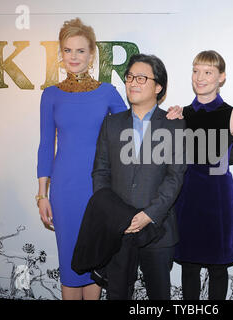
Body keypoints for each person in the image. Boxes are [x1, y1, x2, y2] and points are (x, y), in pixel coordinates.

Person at [36, 18, 127, 300]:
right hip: (65, 190)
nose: (74, 57)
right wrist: (42, 195)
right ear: (61, 55)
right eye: (68, 50)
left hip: (99, 190)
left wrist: (171, 114)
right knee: (70, 263)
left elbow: (132, 129)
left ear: (91, 55)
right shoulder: (50, 95)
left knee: (95, 260)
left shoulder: (107, 92)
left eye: (80, 51)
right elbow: (44, 146)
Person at [91, 53, 187, 300]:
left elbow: (175, 177)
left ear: (158, 87)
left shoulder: (174, 125)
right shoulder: (111, 124)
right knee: (117, 293)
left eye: (141, 78)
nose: (133, 82)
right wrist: (114, 214)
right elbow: (101, 171)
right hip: (118, 229)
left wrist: (149, 215)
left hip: (158, 229)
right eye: (130, 77)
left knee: (158, 297)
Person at [166, 50, 233, 300]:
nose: (200, 77)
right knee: (189, 266)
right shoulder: (180, 115)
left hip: (218, 199)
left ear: (221, 77)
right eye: (195, 71)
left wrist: (218, 161)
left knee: (218, 266)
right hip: (187, 196)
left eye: (208, 72)